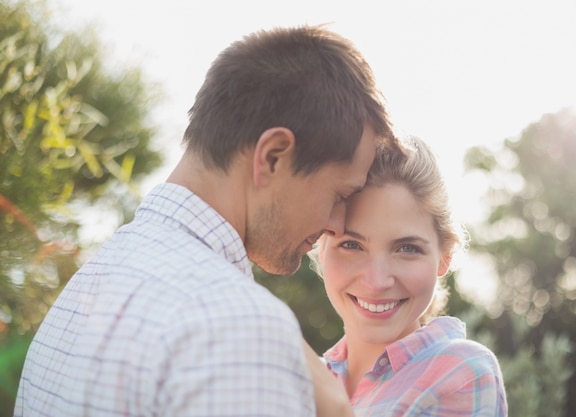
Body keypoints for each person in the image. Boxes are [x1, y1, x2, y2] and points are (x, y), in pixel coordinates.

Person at [14, 25, 396, 417]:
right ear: (273, 157)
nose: (336, 224)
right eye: (339, 196)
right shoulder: (236, 326)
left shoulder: (90, 283)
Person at [309, 137, 508, 416]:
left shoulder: (459, 371)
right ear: (320, 248)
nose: (377, 282)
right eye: (352, 245)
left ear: (444, 258)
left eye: (407, 248)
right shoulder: (301, 380)